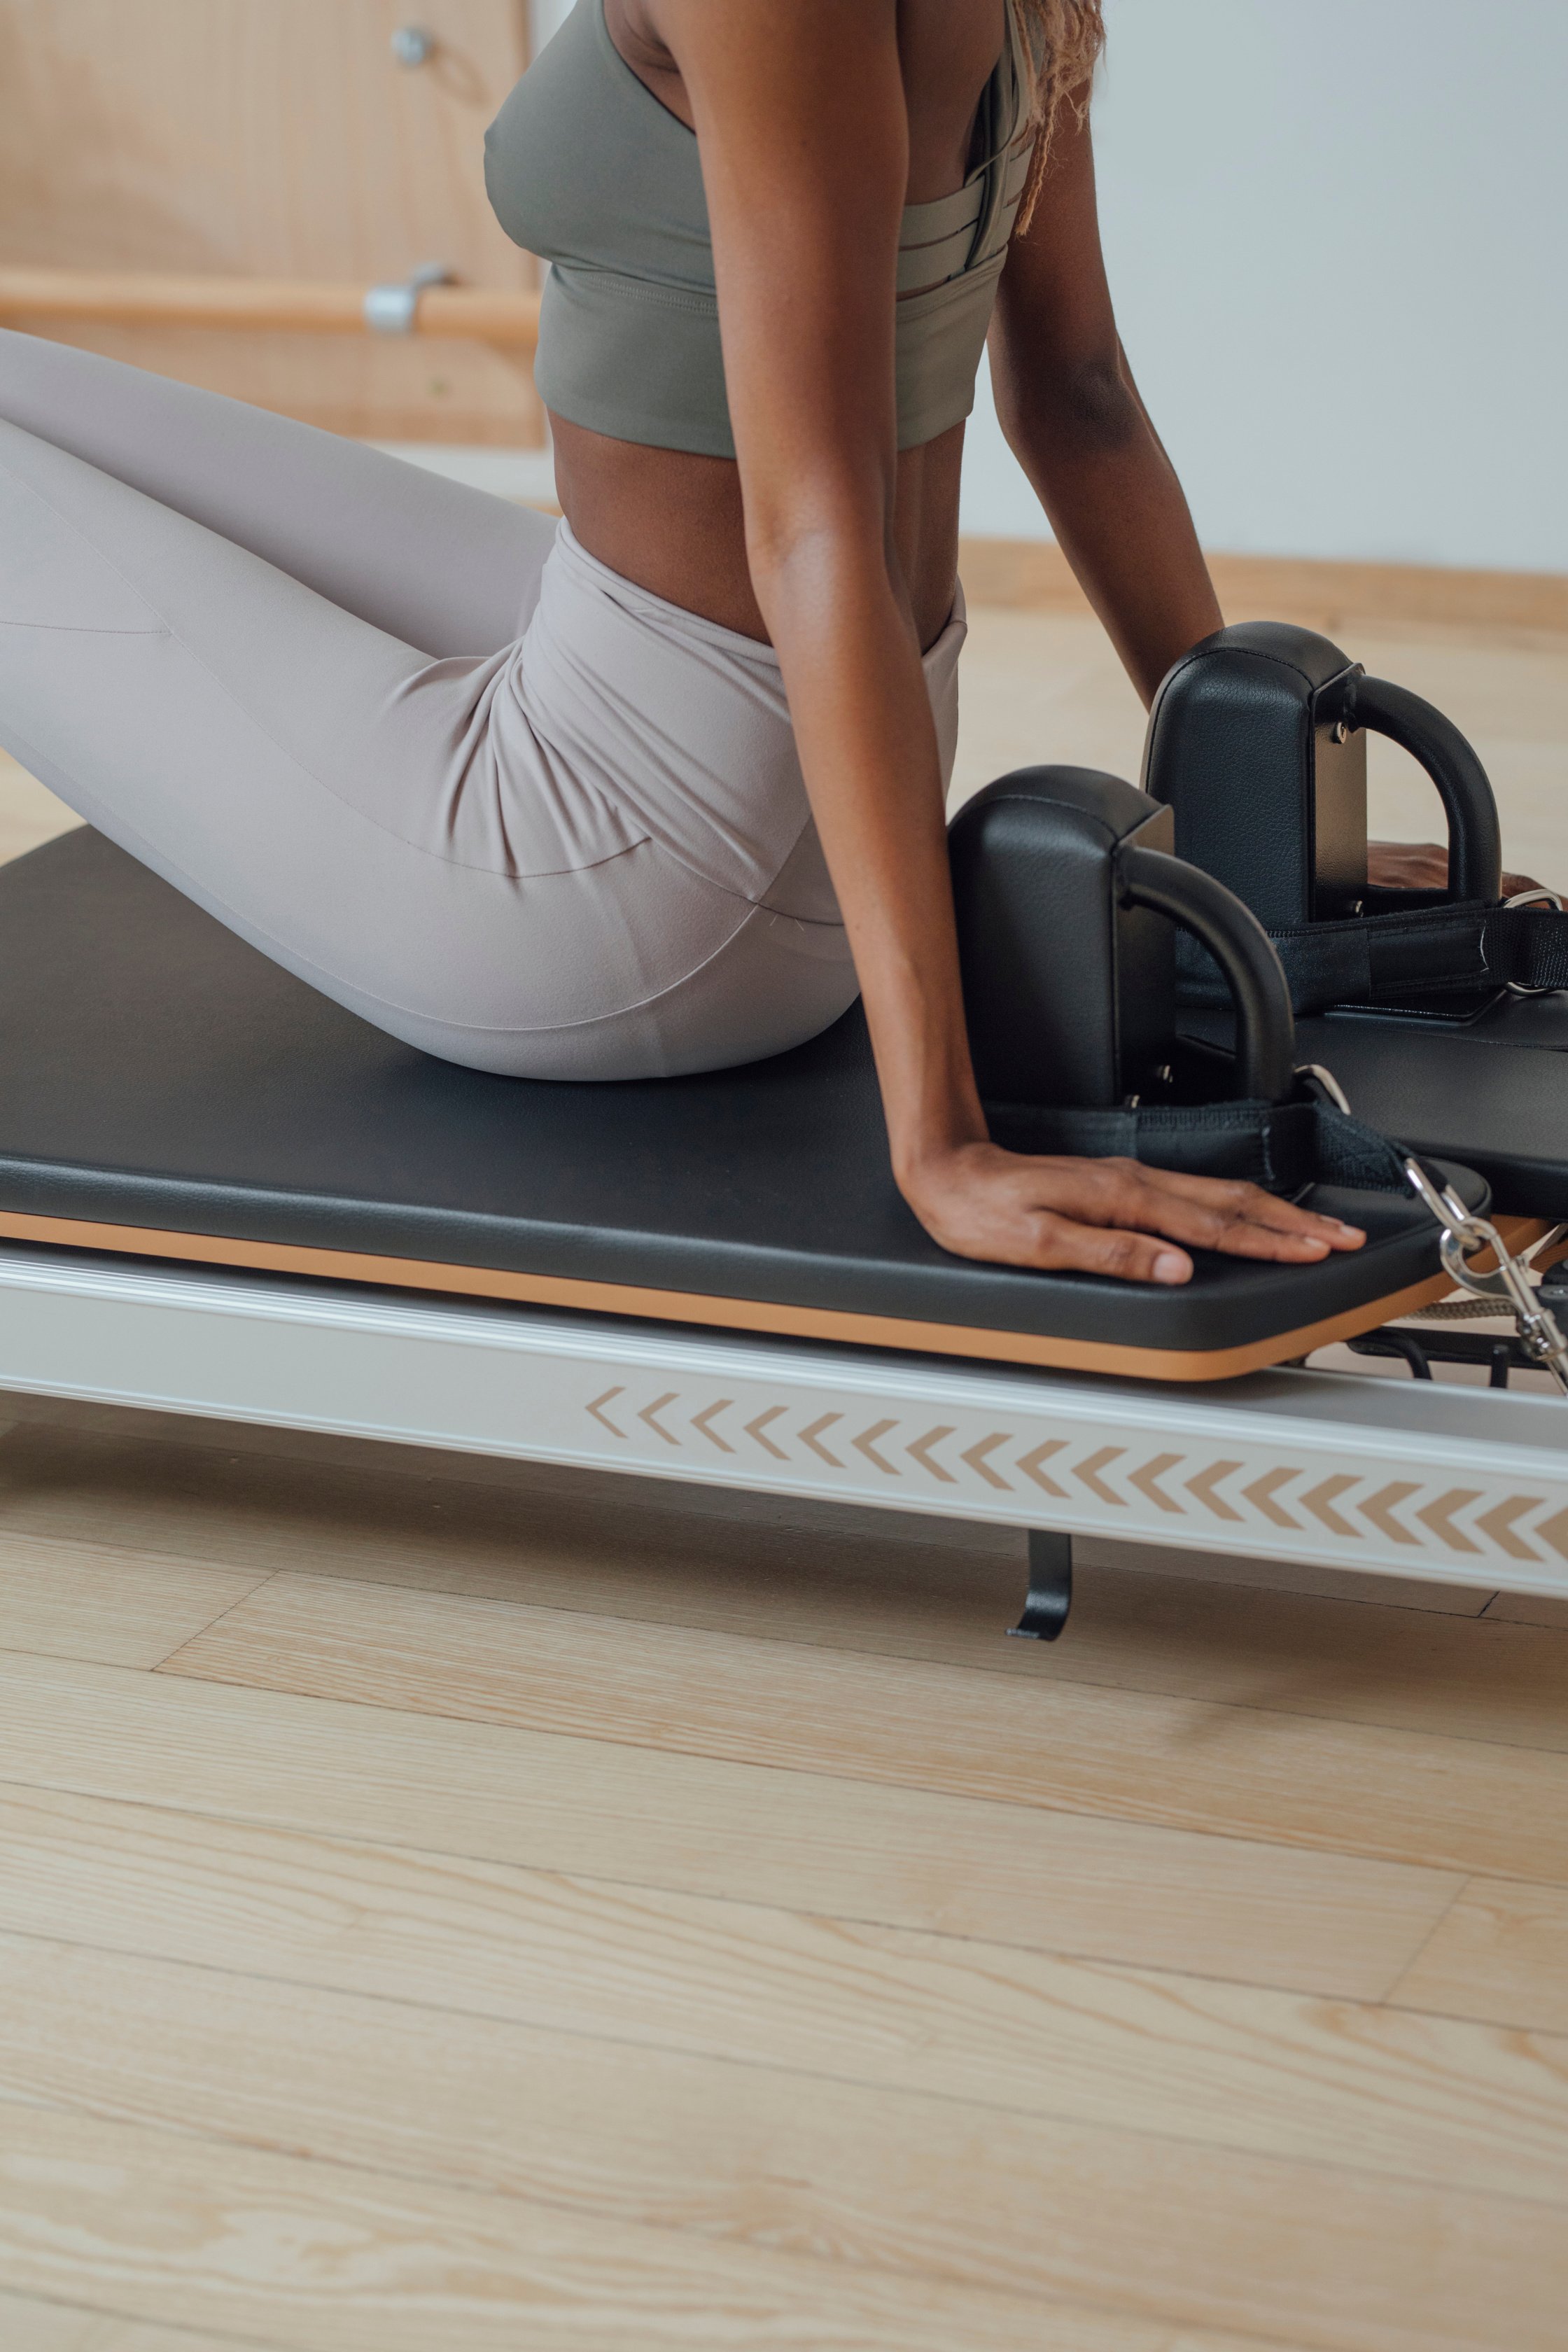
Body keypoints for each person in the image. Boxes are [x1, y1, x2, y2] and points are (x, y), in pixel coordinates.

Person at [0, 0, 1364, 1287]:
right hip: (730, 755)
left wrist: (941, 1139)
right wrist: (1251, 811)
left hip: (618, 874)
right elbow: (1080, 395)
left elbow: (816, 532)